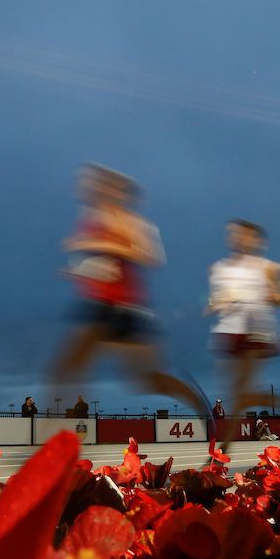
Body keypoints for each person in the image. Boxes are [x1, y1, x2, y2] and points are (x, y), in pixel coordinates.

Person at [51, 164, 208, 425]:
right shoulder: (89, 219)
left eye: (89, 182)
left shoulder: (130, 220)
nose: (82, 187)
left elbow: (151, 256)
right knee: (66, 370)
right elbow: (103, 266)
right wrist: (76, 270)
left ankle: (199, 404)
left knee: (146, 379)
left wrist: (98, 244)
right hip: (96, 306)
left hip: (125, 308)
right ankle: (53, 443)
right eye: (81, 182)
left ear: (108, 188)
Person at [208, 218, 280, 451]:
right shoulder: (221, 268)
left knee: (240, 388)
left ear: (258, 240)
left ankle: (224, 447)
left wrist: (265, 295)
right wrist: (213, 304)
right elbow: (214, 297)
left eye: (243, 234)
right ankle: (265, 400)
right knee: (233, 389)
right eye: (233, 234)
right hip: (230, 332)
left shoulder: (269, 268)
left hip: (256, 333)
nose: (236, 238)